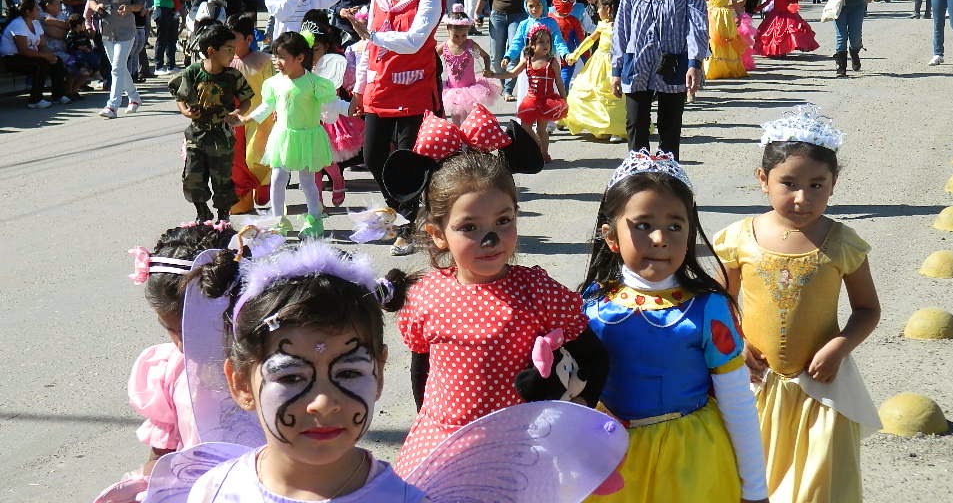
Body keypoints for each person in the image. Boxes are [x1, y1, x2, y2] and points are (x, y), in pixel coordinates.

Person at [393, 151, 605, 475]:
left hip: (517, 451)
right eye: (469, 227)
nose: (490, 239)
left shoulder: (537, 292)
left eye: (503, 221)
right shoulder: (425, 295)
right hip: (443, 448)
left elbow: (595, 356)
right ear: (438, 234)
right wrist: (427, 426)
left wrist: (580, 406)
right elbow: (421, 368)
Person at [713, 104, 881, 503]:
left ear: (833, 183)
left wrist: (838, 348)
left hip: (821, 387)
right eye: (788, 184)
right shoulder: (739, 238)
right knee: (750, 477)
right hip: (754, 384)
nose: (802, 198)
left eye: (816, 185)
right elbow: (718, 302)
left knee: (818, 484)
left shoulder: (843, 243)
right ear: (763, 180)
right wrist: (736, 342)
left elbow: (867, 309)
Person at [581, 150, 769, 503]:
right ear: (610, 236)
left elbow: (737, 400)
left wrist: (756, 490)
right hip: (610, 462)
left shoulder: (708, 308)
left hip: (690, 462)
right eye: (642, 225)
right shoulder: (592, 304)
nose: (659, 238)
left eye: (675, 225)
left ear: (690, 232)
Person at [190, 239, 423, 502]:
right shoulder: (215, 492)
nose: (323, 404)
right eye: (291, 377)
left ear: (378, 373)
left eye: (348, 373)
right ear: (241, 382)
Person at [340, 0, 443, 256]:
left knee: (406, 160)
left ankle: (407, 226)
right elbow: (368, 48)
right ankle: (403, 210)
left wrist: (372, 35)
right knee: (372, 156)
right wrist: (359, 89)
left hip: (413, 87)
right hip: (380, 87)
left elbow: (414, 41)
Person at [125, 222, 238, 476]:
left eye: (195, 332)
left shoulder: (268, 367)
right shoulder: (169, 369)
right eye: (172, 330)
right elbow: (161, 457)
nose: (182, 345)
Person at [612, 0, 709, 161]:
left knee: (669, 131)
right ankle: (638, 178)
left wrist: (694, 63)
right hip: (636, 63)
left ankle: (668, 180)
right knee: (636, 127)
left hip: (672, 64)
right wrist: (616, 68)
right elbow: (622, 27)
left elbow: (697, 25)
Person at [235, 31, 338, 238]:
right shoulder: (275, 83)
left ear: (300, 58)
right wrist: (247, 118)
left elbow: (331, 105)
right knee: (278, 179)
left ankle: (315, 219)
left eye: (282, 57)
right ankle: (278, 221)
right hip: (283, 137)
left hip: (307, 138)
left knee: (307, 181)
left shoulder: (314, 83)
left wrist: (349, 108)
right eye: (275, 56)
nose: (276, 61)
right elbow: (267, 105)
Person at [168, 23, 252, 223]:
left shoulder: (233, 76)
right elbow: (180, 96)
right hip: (196, 134)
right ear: (211, 51)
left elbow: (246, 100)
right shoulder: (193, 72)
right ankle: (202, 212)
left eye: (234, 49)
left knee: (222, 178)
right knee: (193, 176)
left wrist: (237, 113)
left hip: (221, 135)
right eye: (228, 50)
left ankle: (223, 216)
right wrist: (186, 111)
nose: (233, 54)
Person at [474, 0, 565, 99]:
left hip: (517, 15)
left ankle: (508, 90)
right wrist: (477, 13)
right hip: (497, 15)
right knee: (496, 56)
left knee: (514, 51)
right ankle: (503, 83)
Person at [493, 25, 567, 163]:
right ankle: (538, 144)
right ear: (532, 45)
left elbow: (559, 82)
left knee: (542, 129)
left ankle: (544, 154)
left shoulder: (552, 62)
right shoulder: (527, 61)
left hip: (546, 101)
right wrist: (494, 75)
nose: (546, 45)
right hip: (531, 100)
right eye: (541, 42)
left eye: (548, 42)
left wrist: (564, 98)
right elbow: (512, 73)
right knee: (525, 126)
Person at [309, 22, 364, 208]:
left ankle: (337, 178)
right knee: (313, 163)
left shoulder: (335, 64)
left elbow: (350, 84)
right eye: (308, 50)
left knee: (324, 158)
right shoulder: (302, 66)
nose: (312, 54)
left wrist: (355, 102)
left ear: (326, 46)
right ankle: (317, 204)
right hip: (308, 118)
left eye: (316, 49)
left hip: (330, 117)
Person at [88, 0, 146, 119]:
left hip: (126, 31)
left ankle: (112, 106)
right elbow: (91, 0)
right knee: (119, 68)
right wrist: (96, 7)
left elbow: (141, 3)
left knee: (116, 68)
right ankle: (134, 98)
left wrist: (129, 8)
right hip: (107, 31)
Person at [563, 0, 626, 142]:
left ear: (608, 9)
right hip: (598, 64)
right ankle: (601, 126)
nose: (597, 11)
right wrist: (575, 54)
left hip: (615, 64)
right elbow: (590, 40)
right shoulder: (602, 25)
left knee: (614, 95)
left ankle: (617, 129)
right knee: (586, 90)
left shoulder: (622, 25)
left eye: (599, 8)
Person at [226, 14, 275, 214]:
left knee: (255, 155)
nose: (229, 43)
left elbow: (274, 90)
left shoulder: (263, 61)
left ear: (249, 38)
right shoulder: (225, 60)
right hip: (234, 119)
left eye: (234, 38)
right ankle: (242, 199)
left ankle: (264, 182)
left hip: (260, 117)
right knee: (235, 161)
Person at [0, 0, 70, 108]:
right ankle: (35, 101)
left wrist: (51, 56)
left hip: (30, 56)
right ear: (28, 11)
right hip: (11, 58)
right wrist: (46, 57)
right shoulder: (18, 24)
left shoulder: (36, 23)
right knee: (40, 64)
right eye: (36, 9)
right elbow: (24, 51)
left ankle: (58, 96)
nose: (39, 11)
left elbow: (42, 45)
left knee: (57, 61)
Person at [437, 4, 500, 125]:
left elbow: (485, 56)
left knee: (470, 120)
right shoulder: (444, 46)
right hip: (452, 91)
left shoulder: (470, 45)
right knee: (456, 120)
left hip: (471, 91)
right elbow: (431, 57)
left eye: (464, 35)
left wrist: (487, 69)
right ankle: (458, 136)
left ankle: (468, 136)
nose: (460, 39)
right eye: (456, 36)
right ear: (448, 29)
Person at [754, 0, 819, 58]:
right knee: (774, 34)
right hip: (775, 15)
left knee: (787, 33)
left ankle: (783, 51)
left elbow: (794, 3)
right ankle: (776, 51)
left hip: (788, 15)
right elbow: (767, 2)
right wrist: (758, 9)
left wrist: (793, 8)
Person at [703, 0, 748, 80]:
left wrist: (740, 16)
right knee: (714, 40)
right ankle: (713, 67)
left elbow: (735, 3)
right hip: (712, 17)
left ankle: (729, 67)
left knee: (727, 39)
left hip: (725, 18)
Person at [549, 0, 587, 87]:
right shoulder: (548, 13)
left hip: (570, 55)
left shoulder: (580, 9)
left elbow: (587, 29)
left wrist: (587, 59)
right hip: (551, 55)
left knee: (566, 83)